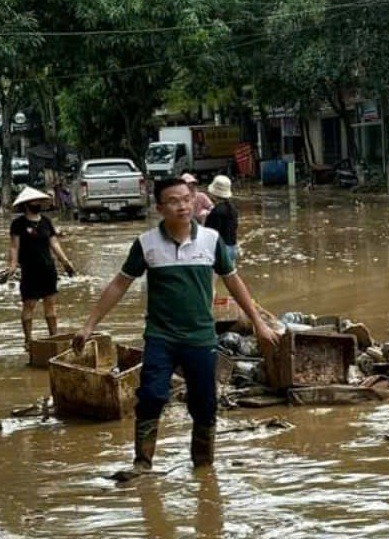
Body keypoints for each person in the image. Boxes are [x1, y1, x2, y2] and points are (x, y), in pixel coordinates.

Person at [71, 177, 279, 472]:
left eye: (186, 199)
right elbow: (119, 284)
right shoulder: (147, 244)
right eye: (173, 201)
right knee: (151, 396)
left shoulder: (210, 240)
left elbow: (233, 281)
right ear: (159, 208)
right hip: (161, 338)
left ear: (194, 202)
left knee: (205, 404)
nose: (182, 206)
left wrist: (259, 323)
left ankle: (203, 468)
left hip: (201, 338)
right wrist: (89, 325)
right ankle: (142, 463)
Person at [3, 186, 76, 350]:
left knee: (50, 305)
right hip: (29, 270)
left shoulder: (46, 222)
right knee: (29, 305)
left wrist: (65, 262)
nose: (38, 204)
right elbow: (14, 247)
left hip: (48, 269)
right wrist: (12, 265)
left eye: (39, 201)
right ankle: (28, 340)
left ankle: (54, 337)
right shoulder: (18, 224)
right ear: (27, 204)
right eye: (35, 201)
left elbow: (54, 243)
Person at [205, 174, 238, 263]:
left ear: (213, 194)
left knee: (213, 276)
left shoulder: (216, 212)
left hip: (221, 249)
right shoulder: (232, 208)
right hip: (233, 247)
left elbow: (210, 233)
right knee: (230, 275)